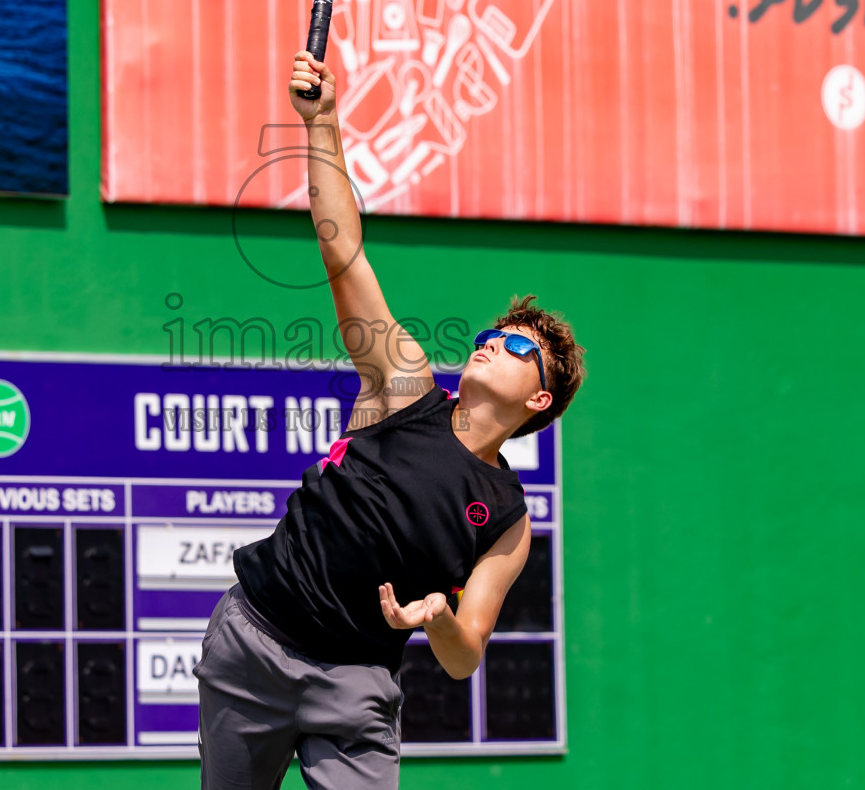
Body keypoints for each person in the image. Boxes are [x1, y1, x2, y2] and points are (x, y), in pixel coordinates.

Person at [194, 51, 586, 789]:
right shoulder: (404, 384)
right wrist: (322, 124)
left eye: (516, 348)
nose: (491, 343)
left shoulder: (507, 519)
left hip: (356, 687)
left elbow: (464, 653)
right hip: (256, 640)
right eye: (490, 335)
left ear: (539, 400)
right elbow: (343, 249)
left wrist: (439, 616)